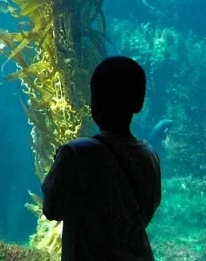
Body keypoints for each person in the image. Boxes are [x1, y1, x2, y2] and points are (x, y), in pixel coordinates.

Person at [41, 56, 162, 260]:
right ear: (139, 103)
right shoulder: (149, 154)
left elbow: (52, 209)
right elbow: (144, 213)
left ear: (93, 101)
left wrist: (60, 166)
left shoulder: (75, 152)